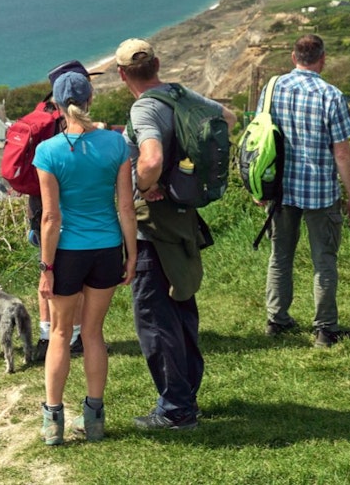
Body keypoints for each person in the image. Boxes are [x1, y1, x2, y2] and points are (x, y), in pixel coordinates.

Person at [116, 37, 235, 431]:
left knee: (154, 319)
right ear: (158, 64)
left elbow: (150, 158)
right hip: (185, 218)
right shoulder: (181, 96)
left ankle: (176, 410)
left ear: (121, 75)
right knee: (182, 309)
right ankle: (186, 395)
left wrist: (139, 183)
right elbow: (229, 118)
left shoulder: (144, 108)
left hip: (155, 227)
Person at [33, 70, 137, 445]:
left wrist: (46, 268)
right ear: (90, 100)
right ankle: (94, 421)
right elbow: (126, 207)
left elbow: (50, 217)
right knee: (94, 333)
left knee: (61, 333)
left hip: (67, 253)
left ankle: (52, 423)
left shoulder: (48, 151)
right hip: (107, 249)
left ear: (58, 107)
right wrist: (132, 253)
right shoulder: (115, 143)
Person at [264, 34, 350, 348]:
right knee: (324, 259)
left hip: (280, 188)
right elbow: (342, 152)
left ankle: (276, 319)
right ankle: (324, 328)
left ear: (293, 57)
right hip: (319, 191)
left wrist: (259, 185)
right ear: (322, 59)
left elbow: (259, 140)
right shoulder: (331, 95)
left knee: (280, 256)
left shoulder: (272, 89)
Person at [29, 59, 103, 362]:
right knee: (78, 281)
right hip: (64, 213)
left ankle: (47, 336)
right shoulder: (67, 125)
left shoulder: (40, 118)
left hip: (37, 205)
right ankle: (73, 337)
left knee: (46, 272)